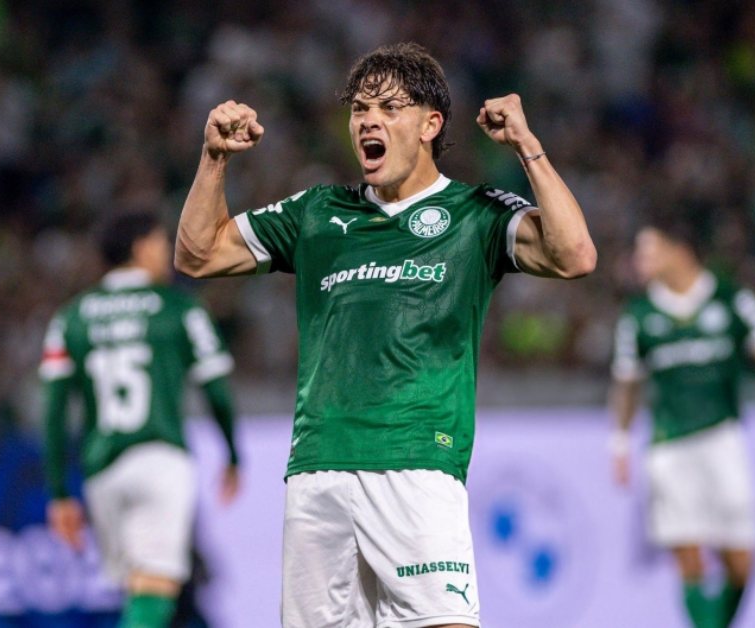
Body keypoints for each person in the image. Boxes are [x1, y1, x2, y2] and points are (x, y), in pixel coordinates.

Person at [174, 42, 595, 628]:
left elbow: (574, 255)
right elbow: (197, 255)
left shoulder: (474, 213)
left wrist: (528, 147)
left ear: (430, 124)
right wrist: (214, 158)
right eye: (359, 110)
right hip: (318, 467)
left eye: (389, 108)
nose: (368, 121)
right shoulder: (317, 212)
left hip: (416, 461)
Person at [41, 210, 240, 628]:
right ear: (140, 247)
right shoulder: (178, 308)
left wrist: (59, 492)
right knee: (155, 589)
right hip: (159, 459)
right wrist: (233, 453)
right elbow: (216, 391)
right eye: (160, 242)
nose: (166, 252)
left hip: (102, 469)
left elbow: (54, 411)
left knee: (139, 589)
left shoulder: (70, 317)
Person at [609, 217, 755, 628]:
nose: (640, 261)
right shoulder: (638, 315)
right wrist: (620, 442)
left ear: (679, 252)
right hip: (669, 445)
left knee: (741, 559)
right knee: (688, 555)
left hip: (722, 437)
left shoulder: (731, 298)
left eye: (649, 251)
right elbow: (627, 384)